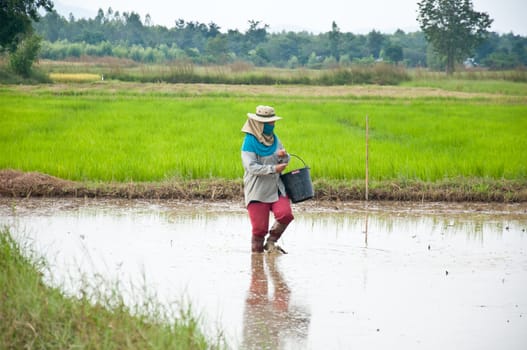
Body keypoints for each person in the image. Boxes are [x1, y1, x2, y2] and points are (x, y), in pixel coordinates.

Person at [241, 105, 294, 253]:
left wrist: (284, 156)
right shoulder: (249, 142)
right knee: (259, 229)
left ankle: (271, 242)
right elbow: (251, 167)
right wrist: (273, 169)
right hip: (257, 190)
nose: (273, 125)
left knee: (285, 214)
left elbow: (284, 158)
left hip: (276, 187)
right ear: (259, 124)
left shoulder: (275, 139)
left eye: (273, 122)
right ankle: (256, 262)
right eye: (269, 123)